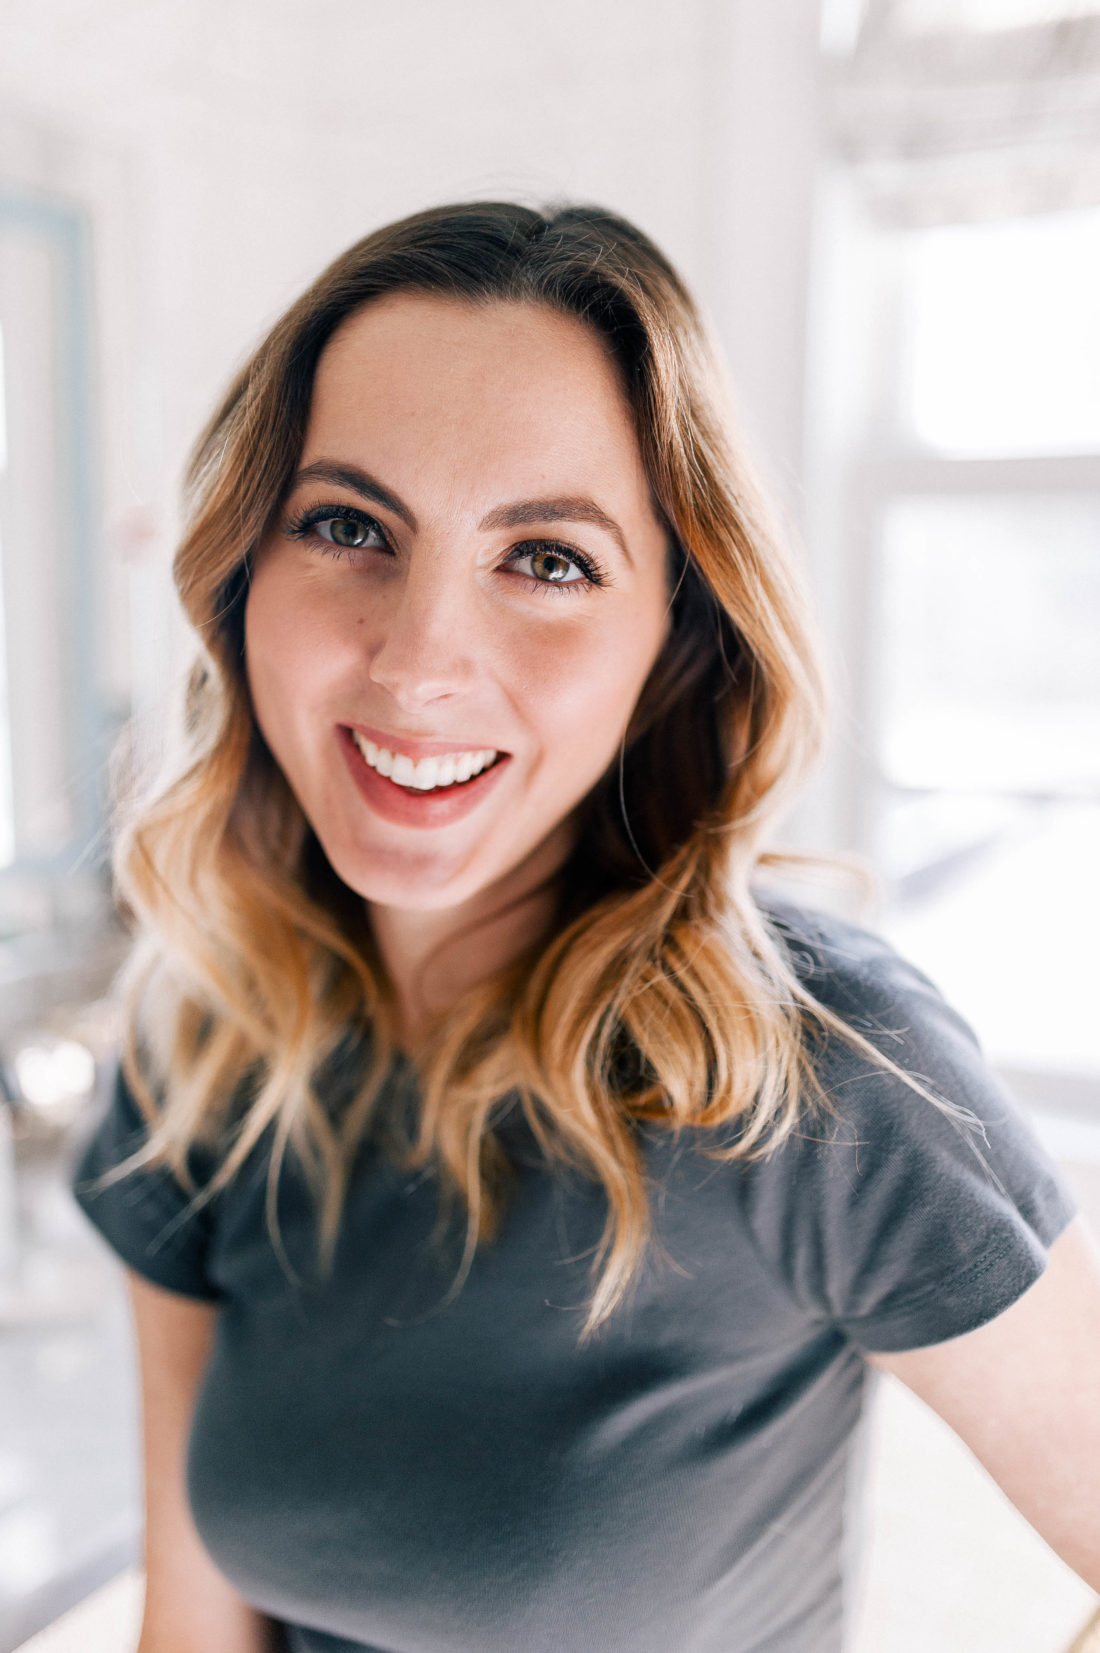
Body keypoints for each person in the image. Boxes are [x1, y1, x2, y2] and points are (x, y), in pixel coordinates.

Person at [70, 201, 1100, 1653]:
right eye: (349, 527)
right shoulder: (201, 1051)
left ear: (670, 640)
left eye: (547, 558)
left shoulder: (822, 1072)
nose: (421, 658)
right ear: (244, 581)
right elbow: (196, 1622)